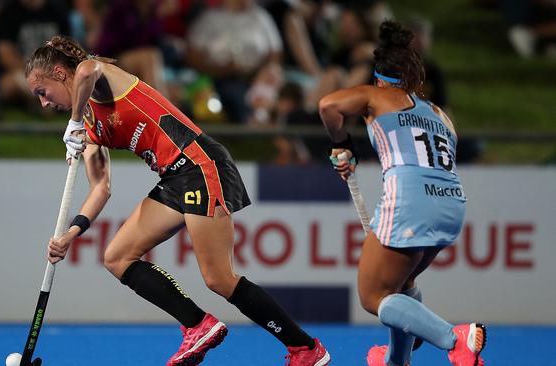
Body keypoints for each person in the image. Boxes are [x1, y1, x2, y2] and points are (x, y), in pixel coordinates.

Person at [24, 35, 330, 366]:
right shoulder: (87, 126)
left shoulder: (101, 82)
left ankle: (305, 349)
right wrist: (71, 234)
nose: (44, 103)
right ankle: (198, 324)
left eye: (43, 92)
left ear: (59, 72)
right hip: (173, 179)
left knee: (219, 278)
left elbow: (87, 69)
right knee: (117, 257)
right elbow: (101, 187)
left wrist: (71, 123)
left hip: (199, 164)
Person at [319, 21, 487, 366]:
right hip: (451, 203)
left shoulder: (376, 94)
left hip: (411, 201)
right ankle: (398, 361)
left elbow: (328, 106)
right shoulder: (440, 114)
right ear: (413, 80)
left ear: (379, 77)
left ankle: (453, 338)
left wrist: (342, 144)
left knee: (373, 296)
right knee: (402, 282)